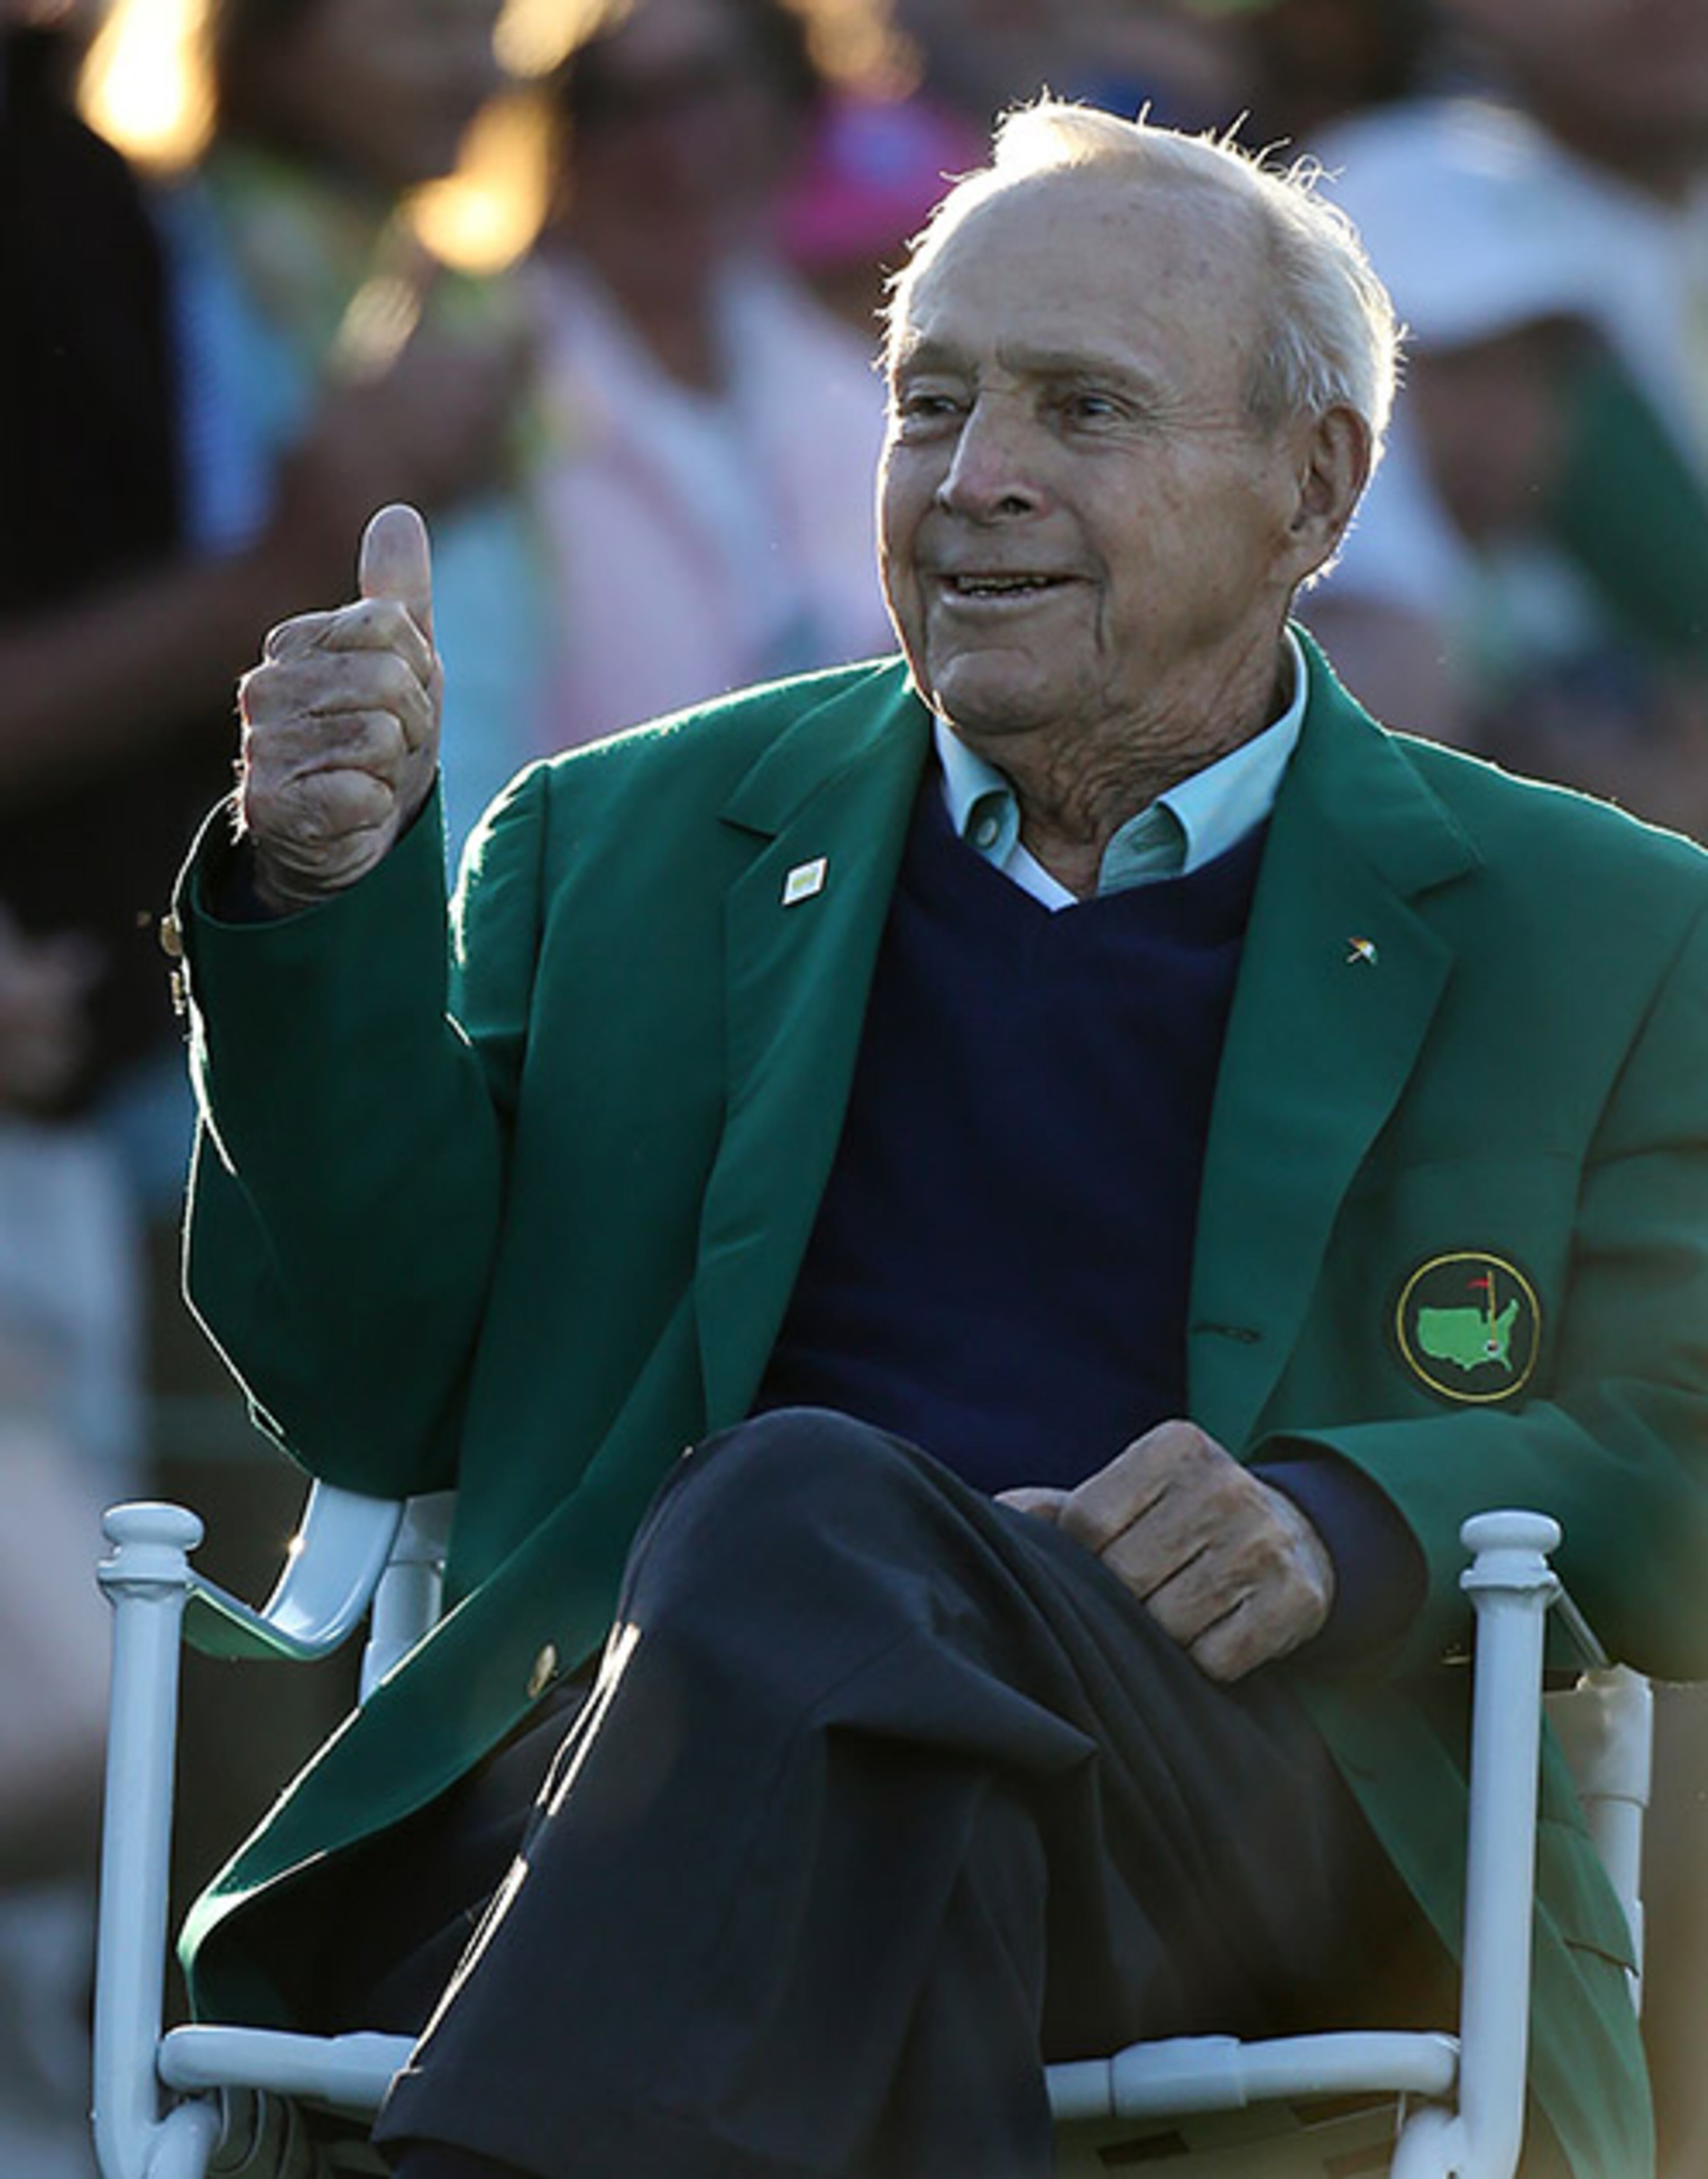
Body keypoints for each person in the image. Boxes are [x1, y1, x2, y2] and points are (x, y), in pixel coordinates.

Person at [166, 104, 1708, 2179]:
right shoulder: (616, 844)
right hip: (623, 1788)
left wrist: (1345, 1514)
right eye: (932, 402)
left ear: (1313, 489)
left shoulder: (1598, 923)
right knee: (843, 1670)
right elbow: (374, 1377)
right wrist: (323, 910)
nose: (975, 480)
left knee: (797, 1514)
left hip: (1225, 1812)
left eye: (1081, 410)